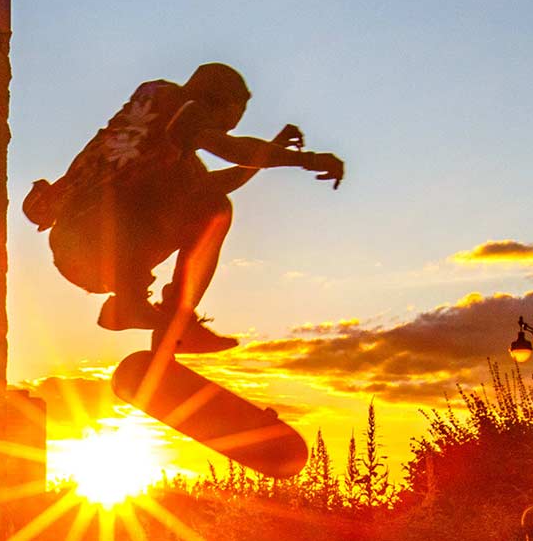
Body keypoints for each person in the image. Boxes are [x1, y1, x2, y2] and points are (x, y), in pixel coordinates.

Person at [25, 63, 345, 354]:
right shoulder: (172, 101)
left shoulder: (165, 147)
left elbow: (218, 184)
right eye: (228, 121)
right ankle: (148, 310)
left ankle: (163, 323)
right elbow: (228, 149)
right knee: (214, 208)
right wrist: (308, 160)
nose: (227, 130)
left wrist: (269, 151)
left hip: (80, 249)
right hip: (94, 234)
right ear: (217, 103)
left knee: (210, 208)